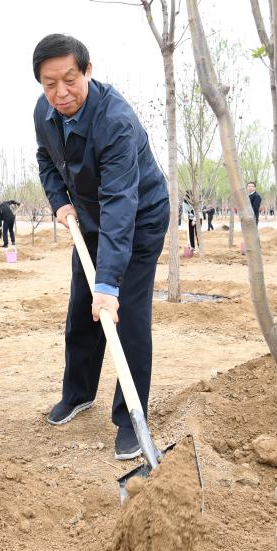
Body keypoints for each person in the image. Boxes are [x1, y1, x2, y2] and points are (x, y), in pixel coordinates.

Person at [33, 34, 170, 460]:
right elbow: (44, 158)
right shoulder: (45, 112)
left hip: (139, 215)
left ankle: (131, 418)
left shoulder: (116, 121)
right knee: (81, 310)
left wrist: (109, 284)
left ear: (88, 71)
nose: (61, 92)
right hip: (88, 218)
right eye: (49, 83)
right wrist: (59, 202)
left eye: (70, 79)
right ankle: (78, 393)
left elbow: (121, 204)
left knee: (123, 313)